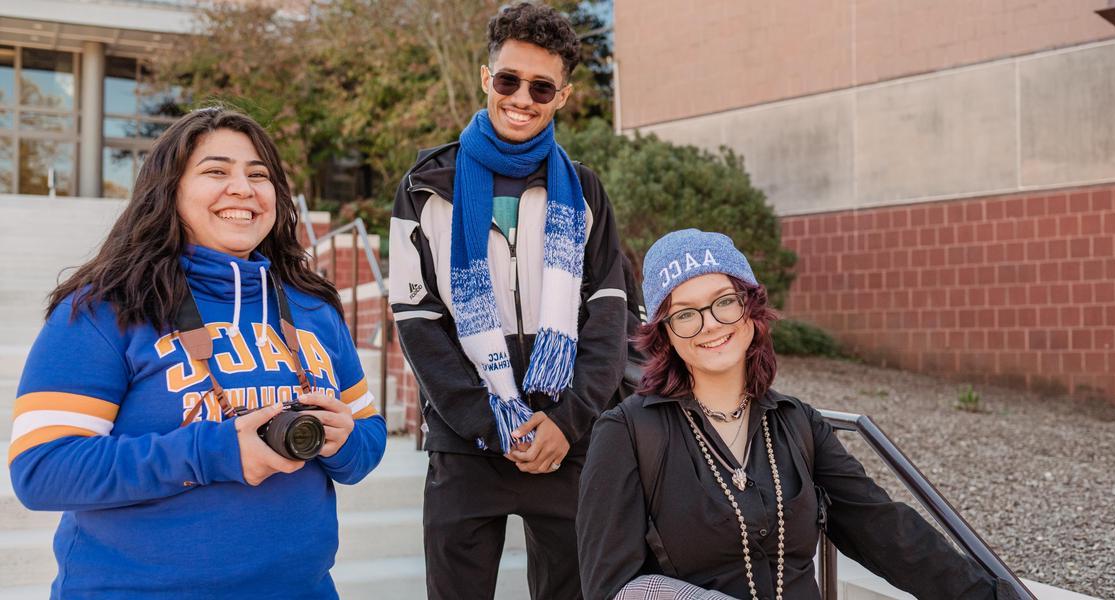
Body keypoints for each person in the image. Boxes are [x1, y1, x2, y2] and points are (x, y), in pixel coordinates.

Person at [7, 107, 387, 599]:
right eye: (216, 171)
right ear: (169, 191)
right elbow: (43, 469)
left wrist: (344, 439)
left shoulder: (312, 307)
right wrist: (216, 452)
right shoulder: (107, 308)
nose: (243, 188)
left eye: (259, 175)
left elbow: (368, 439)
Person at [577, 229, 1019, 600]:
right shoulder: (627, 433)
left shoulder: (797, 423)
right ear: (665, 335)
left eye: (724, 301)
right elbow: (610, 586)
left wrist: (988, 595)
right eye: (686, 314)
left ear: (750, 310)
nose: (710, 324)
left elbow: (882, 529)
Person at [387, 2, 628, 598]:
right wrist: (491, 424)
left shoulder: (587, 191)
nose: (522, 98)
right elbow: (417, 321)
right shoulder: (424, 187)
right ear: (485, 79)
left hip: (564, 438)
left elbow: (609, 318)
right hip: (466, 441)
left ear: (563, 96)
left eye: (541, 87)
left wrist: (566, 423)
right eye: (508, 80)